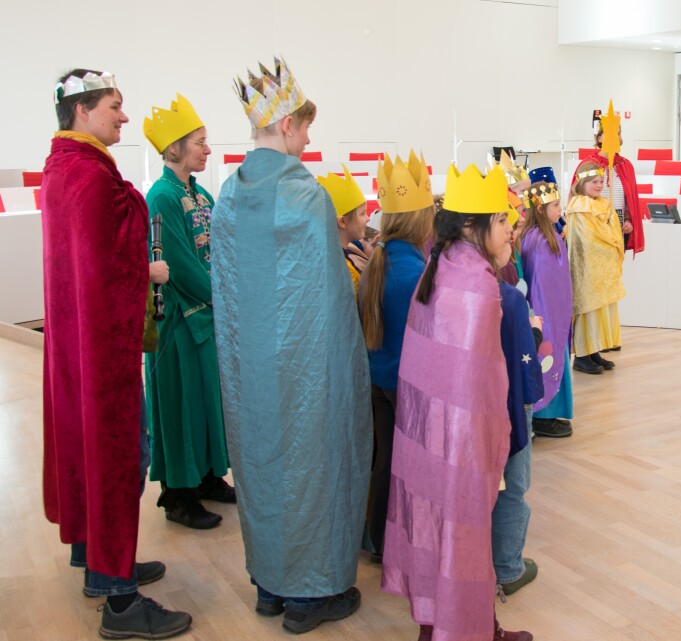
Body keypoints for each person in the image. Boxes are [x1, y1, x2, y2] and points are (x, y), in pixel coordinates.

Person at [211, 58, 371, 634]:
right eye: (303, 126)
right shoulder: (304, 194)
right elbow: (327, 301)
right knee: (313, 464)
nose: (308, 137)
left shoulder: (229, 194)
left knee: (260, 464)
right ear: (283, 126)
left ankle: (270, 586)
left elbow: (228, 290)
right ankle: (311, 595)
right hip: (304, 368)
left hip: (249, 369)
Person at [42, 68, 192, 639]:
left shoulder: (66, 169)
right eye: (115, 105)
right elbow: (105, 270)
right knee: (117, 458)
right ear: (83, 110)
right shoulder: (88, 178)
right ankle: (120, 602)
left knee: (90, 452)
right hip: (102, 352)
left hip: (79, 345)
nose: (124, 117)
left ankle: (99, 565)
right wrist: (148, 269)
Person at [382, 163, 532, 641]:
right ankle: (465, 631)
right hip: (458, 443)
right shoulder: (478, 287)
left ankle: (448, 624)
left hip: (427, 439)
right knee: (462, 536)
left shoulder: (440, 264)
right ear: (473, 225)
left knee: (438, 533)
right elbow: (479, 388)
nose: (511, 228)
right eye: (503, 220)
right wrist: (490, 447)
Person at [142, 93, 234, 531]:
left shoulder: (200, 194)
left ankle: (207, 475)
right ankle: (179, 494)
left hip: (208, 317)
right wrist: (228, 294)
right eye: (200, 141)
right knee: (181, 406)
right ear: (175, 147)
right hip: (179, 323)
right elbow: (179, 266)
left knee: (208, 403)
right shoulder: (161, 195)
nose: (207, 150)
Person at [357, 150, 435, 561]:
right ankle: (403, 542)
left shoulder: (381, 263)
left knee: (385, 461)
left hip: (380, 379)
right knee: (409, 468)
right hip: (406, 383)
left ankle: (378, 539)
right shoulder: (414, 274)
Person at [491, 209, 545, 598]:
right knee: (512, 485)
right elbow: (524, 375)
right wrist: (534, 329)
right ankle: (508, 568)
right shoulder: (505, 299)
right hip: (507, 405)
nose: (512, 232)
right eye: (501, 224)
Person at [521, 169, 575, 439]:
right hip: (547, 315)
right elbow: (542, 286)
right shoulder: (540, 241)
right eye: (555, 206)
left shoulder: (546, 236)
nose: (560, 210)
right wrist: (550, 317)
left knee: (555, 359)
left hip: (556, 313)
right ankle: (544, 416)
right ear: (540, 209)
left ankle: (551, 414)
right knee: (548, 359)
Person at [566, 161, 626, 374]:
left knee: (601, 310)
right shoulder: (579, 206)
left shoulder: (603, 204)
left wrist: (614, 244)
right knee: (589, 310)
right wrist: (612, 243)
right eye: (594, 181)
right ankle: (582, 355)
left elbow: (616, 234)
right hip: (587, 267)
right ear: (582, 183)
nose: (599, 185)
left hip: (604, 269)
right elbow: (588, 239)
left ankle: (594, 351)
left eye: (601, 181)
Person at [575, 109, 644, 256]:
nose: (615, 136)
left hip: (617, 229)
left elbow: (629, 201)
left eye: (618, 133)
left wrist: (628, 220)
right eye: (609, 133)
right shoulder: (588, 164)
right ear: (599, 138)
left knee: (614, 273)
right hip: (593, 229)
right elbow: (577, 197)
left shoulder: (626, 166)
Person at [317, 164, 371, 295]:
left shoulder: (335, 257)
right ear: (342, 222)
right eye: (362, 214)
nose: (368, 218)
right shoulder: (341, 271)